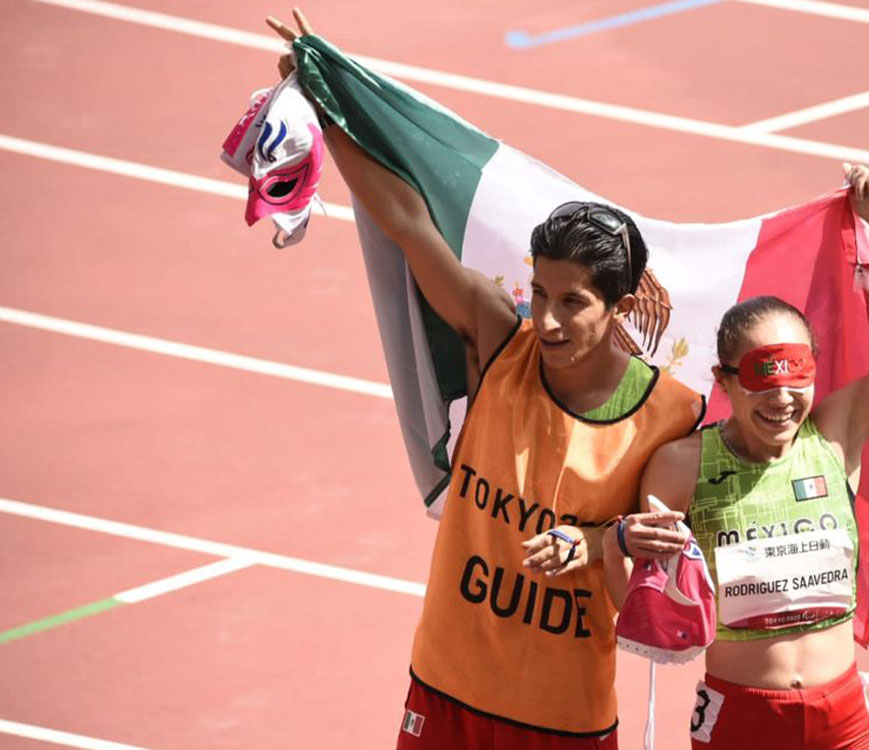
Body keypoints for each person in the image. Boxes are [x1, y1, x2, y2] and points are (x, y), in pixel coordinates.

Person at [266, 10, 705, 748]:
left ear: (621, 306)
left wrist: (603, 541)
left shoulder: (671, 418)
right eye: (543, 294)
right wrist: (327, 105)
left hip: (563, 720)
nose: (551, 320)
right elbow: (408, 222)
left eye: (574, 303)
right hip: (444, 688)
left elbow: (644, 592)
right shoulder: (499, 338)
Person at [604, 164, 869, 748]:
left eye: (797, 380)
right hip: (740, 717)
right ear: (725, 381)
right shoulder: (681, 466)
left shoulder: (838, 432)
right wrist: (626, 555)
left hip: (840, 713)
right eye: (762, 383)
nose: (783, 401)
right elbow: (639, 601)